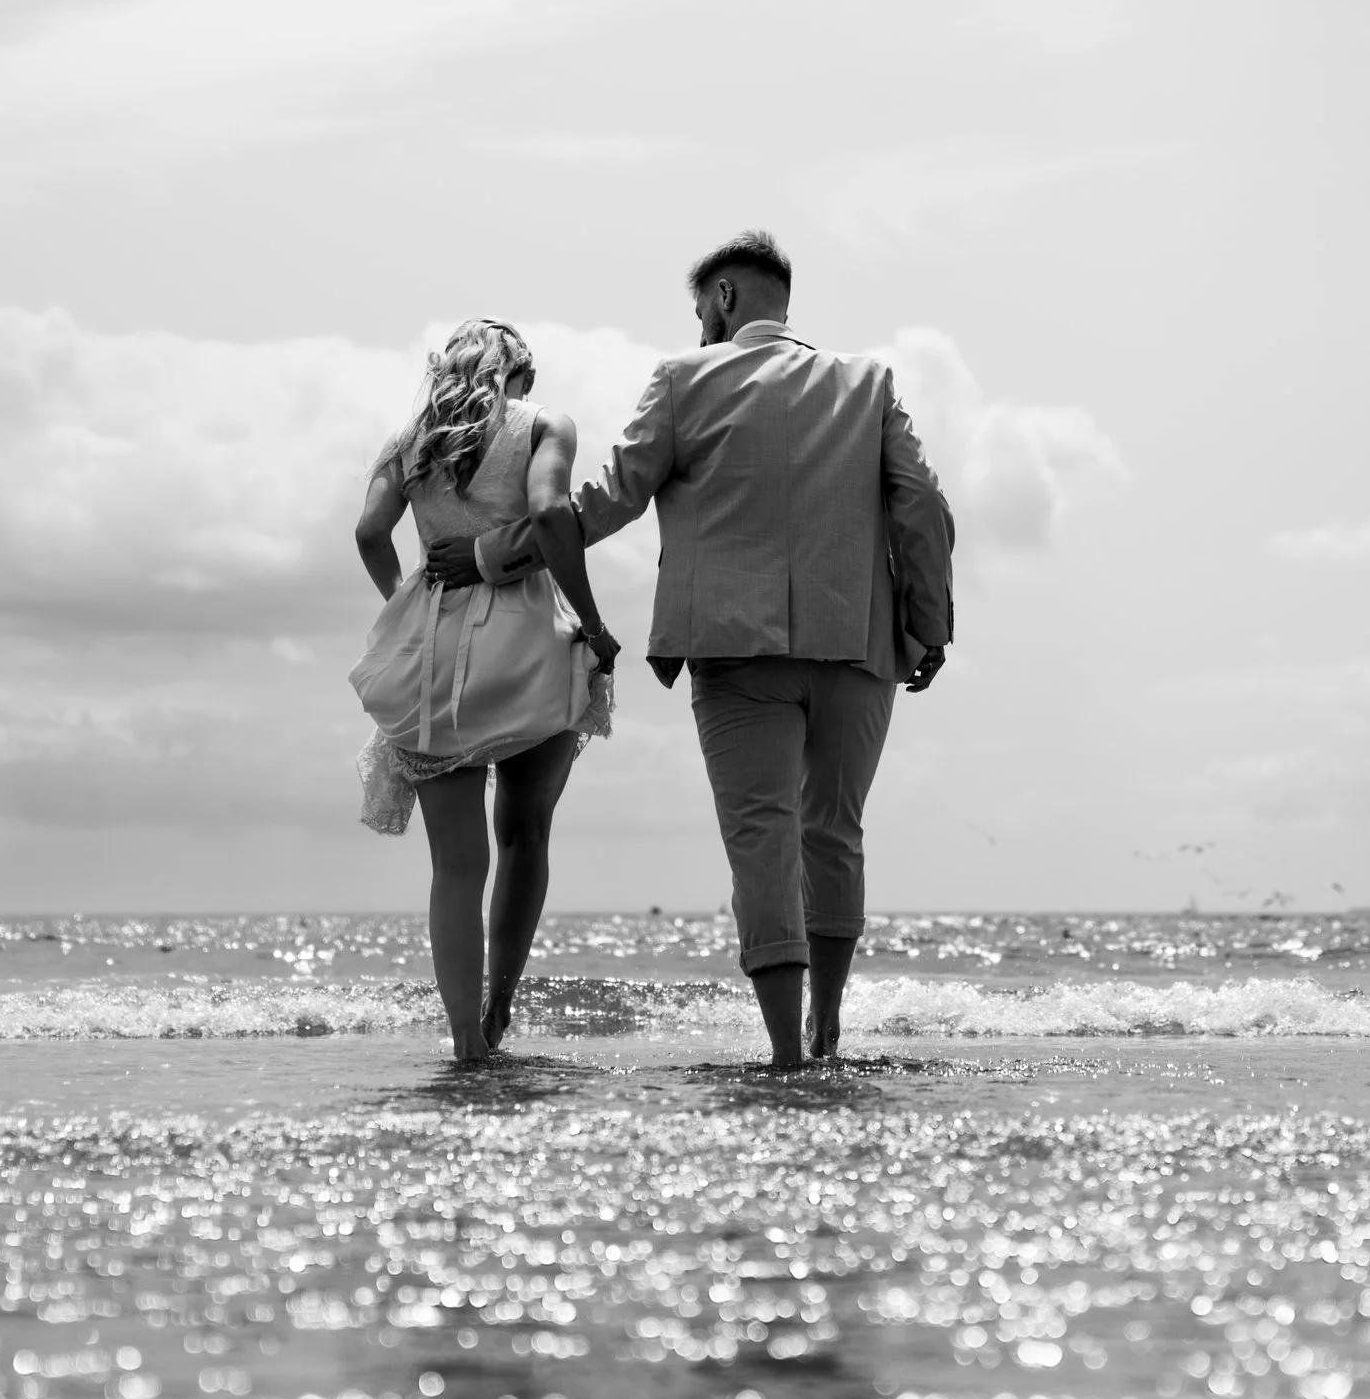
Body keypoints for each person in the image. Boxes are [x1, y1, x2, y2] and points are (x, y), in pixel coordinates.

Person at [426, 233, 954, 1069]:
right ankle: (826, 1029)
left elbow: (605, 500)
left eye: (702, 306)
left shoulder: (683, 379)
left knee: (762, 839)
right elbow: (921, 504)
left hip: (736, 652)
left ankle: (785, 1052)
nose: (701, 321)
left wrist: (490, 556)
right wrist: (928, 624)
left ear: (725, 299)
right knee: (835, 834)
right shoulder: (869, 381)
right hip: (859, 646)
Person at [351, 319, 619, 1065]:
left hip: (436, 650)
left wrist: (405, 602)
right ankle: (502, 1002)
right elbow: (548, 513)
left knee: (455, 864)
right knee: (526, 832)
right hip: (528, 647)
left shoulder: (410, 440)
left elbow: (371, 530)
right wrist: (592, 623)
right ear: (520, 376)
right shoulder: (543, 424)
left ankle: (467, 1041)